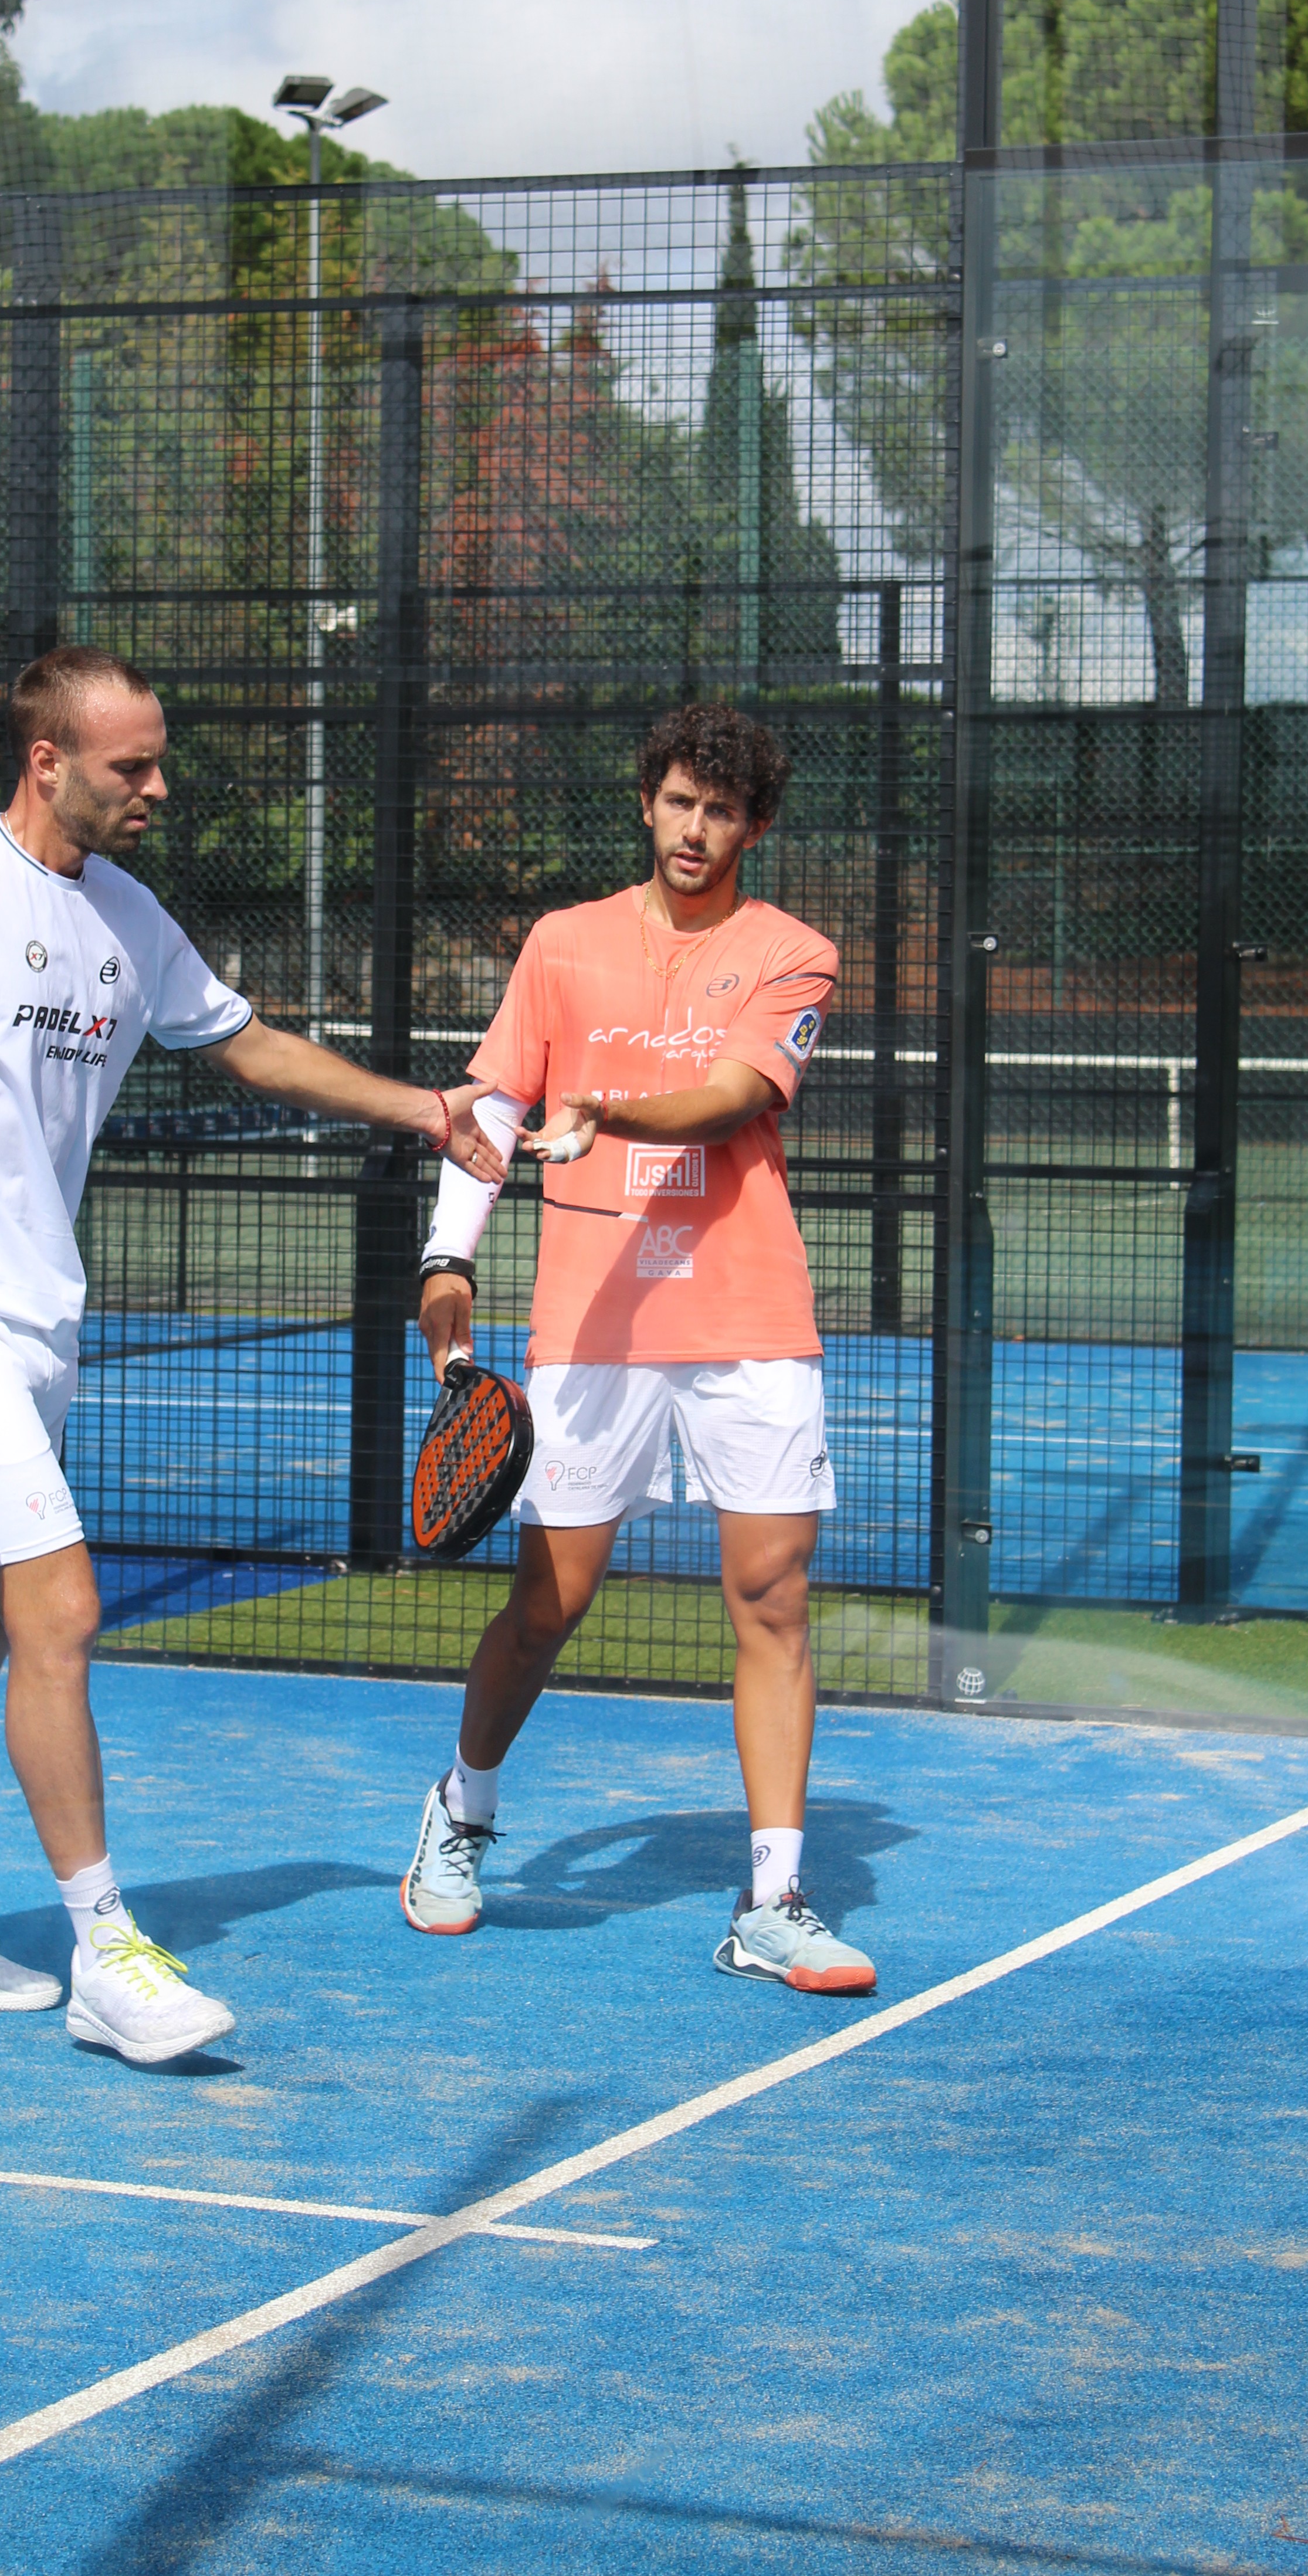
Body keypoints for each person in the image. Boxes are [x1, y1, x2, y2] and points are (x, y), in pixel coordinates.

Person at [0, 645, 503, 2066]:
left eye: (158, 760)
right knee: (63, 1612)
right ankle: (107, 1952)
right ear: (48, 760)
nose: (158, 785)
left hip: (39, 1326)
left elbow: (251, 1045)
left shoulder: (131, 920)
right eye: (129, 764)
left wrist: (424, 1108)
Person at [403, 702, 876, 1994]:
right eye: (677, 802)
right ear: (649, 804)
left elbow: (733, 1098)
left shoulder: (796, 954)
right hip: (593, 1325)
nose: (694, 829)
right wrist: (450, 1257)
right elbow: (496, 1105)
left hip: (747, 1313)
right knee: (551, 1602)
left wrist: (610, 1107)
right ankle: (462, 1813)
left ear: (754, 829)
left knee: (773, 1601)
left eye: (721, 812)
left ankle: (774, 1899)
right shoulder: (563, 946)